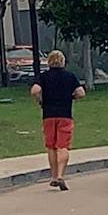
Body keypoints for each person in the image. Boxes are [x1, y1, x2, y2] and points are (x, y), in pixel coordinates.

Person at [30, 49, 85, 190]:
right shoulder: (69, 76)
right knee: (63, 146)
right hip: (65, 115)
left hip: (48, 115)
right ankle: (61, 175)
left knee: (51, 146)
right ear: (63, 62)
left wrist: (40, 100)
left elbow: (35, 90)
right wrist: (71, 97)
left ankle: (53, 176)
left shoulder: (43, 76)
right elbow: (81, 93)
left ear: (49, 62)